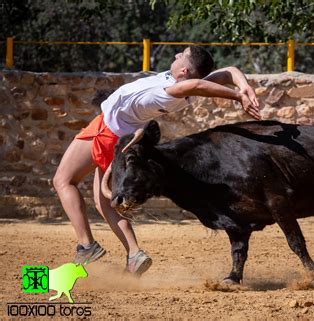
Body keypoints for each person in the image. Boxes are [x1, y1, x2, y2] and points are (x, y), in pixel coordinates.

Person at [53, 46, 261, 277]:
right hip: (120, 136)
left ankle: (86, 245)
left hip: (106, 130)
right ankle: (134, 255)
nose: (175, 55)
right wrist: (244, 87)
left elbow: (198, 84)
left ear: (183, 70)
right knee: (104, 201)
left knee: (63, 181)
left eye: (181, 55)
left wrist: (236, 95)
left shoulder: (172, 89)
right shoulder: (179, 83)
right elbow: (228, 71)